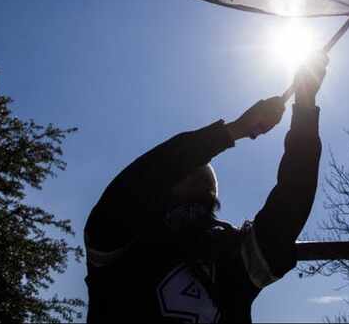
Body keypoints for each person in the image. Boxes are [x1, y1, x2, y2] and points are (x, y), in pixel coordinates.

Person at [83, 53, 328, 322]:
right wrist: (235, 129)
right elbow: (140, 181)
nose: (196, 179)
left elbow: (290, 203)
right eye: (186, 174)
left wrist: (305, 104)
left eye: (200, 181)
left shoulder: (229, 253)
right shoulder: (122, 242)